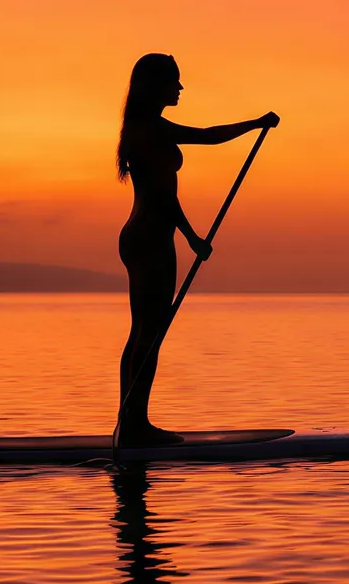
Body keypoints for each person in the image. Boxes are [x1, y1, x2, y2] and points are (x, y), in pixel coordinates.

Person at [113, 52, 277, 447]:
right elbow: (163, 195)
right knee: (150, 333)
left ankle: (130, 421)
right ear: (155, 85)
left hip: (143, 236)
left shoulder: (146, 126)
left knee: (143, 331)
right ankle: (135, 426)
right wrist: (191, 237)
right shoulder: (149, 130)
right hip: (151, 239)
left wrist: (255, 124)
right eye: (174, 80)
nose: (181, 87)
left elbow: (207, 137)